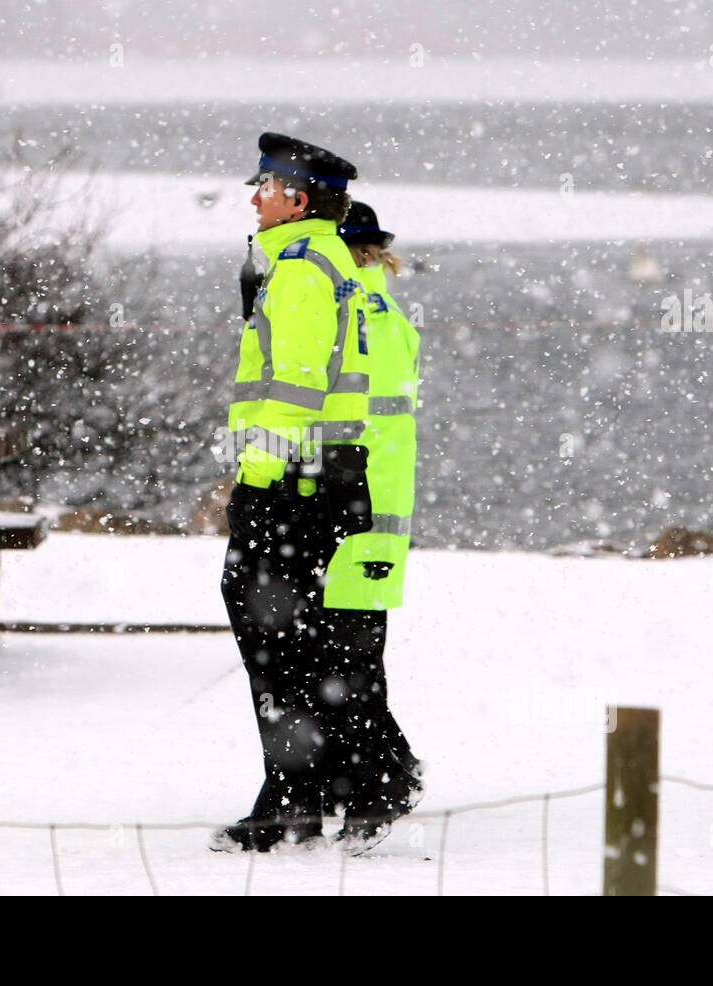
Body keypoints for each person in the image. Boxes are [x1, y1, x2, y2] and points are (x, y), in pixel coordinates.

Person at [212, 133, 373, 853]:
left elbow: (295, 392)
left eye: (265, 188)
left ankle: (296, 798)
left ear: (297, 199)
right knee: (299, 647)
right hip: (316, 479)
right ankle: (312, 790)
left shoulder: (303, 270)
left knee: (277, 646)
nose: (254, 198)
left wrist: (254, 479)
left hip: (294, 482)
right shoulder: (316, 263)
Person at [313, 201, 423, 852]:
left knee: (346, 658)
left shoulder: (357, 310)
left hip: (357, 505)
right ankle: (373, 776)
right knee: (353, 653)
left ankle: (384, 779)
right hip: (375, 509)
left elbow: (341, 414)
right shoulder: (380, 305)